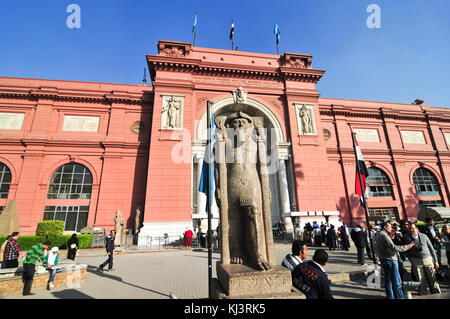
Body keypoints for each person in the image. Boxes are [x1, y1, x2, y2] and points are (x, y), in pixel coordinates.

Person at [374, 221, 415, 299]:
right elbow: (394, 248)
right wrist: (407, 247)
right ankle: (400, 297)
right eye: (390, 227)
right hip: (391, 259)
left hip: (384, 259)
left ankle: (391, 296)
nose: (391, 228)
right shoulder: (384, 235)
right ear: (385, 227)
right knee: (396, 281)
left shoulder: (378, 235)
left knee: (388, 280)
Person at [409, 222, 441, 295]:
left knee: (432, 278)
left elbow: (431, 248)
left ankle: (437, 292)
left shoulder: (424, 236)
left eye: (413, 228)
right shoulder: (407, 237)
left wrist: (436, 260)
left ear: (417, 229)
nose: (411, 230)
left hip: (427, 259)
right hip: (416, 260)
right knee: (420, 278)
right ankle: (423, 293)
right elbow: (406, 250)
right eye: (410, 229)